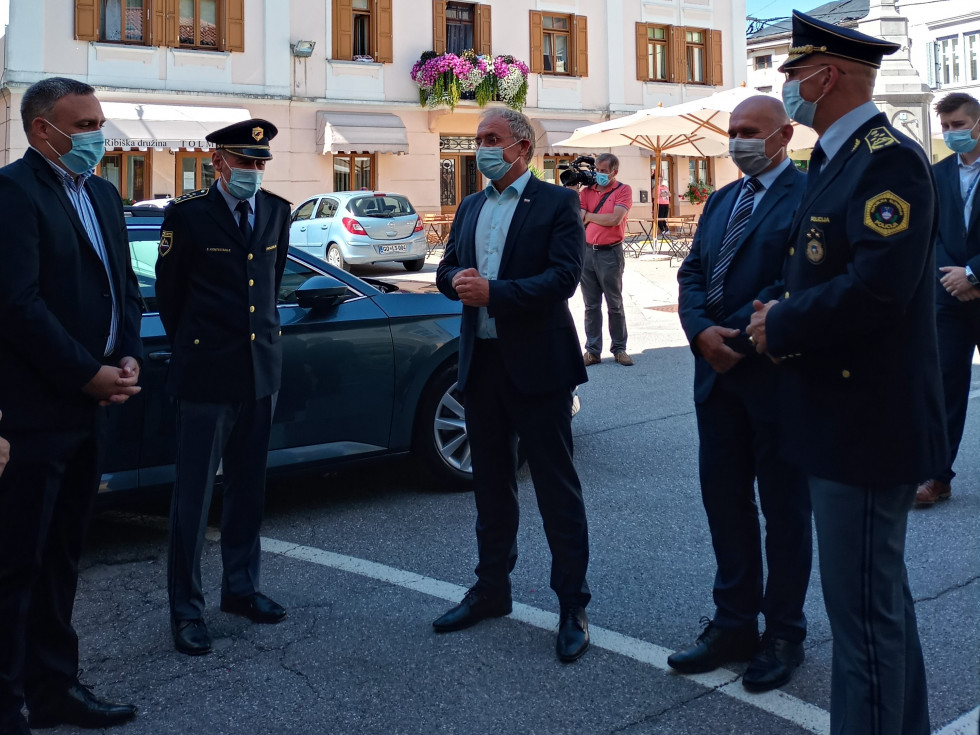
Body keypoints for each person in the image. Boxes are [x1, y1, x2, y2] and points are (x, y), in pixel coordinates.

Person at [746, 11, 945, 734]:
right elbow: (820, 270)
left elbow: (878, 288)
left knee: (863, 622)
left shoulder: (885, 157)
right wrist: (777, 305)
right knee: (877, 604)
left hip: (865, 424)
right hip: (839, 417)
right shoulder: (836, 158)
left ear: (825, 77)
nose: (785, 87)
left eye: (791, 74)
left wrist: (784, 323)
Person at [0, 77, 142, 734]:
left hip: (94, 408)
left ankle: (55, 686)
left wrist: (128, 353)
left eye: (99, 122)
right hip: (39, 413)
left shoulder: (107, 196)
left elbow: (125, 288)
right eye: (82, 124)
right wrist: (86, 372)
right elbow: (18, 306)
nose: (97, 136)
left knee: (62, 557)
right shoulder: (14, 193)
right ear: (42, 131)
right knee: (16, 565)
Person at [433, 109, 592, 663]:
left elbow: (563, 278)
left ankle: (571, 604)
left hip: (539, 367)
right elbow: (446, 266)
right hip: (483, 364)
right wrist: (454, 280)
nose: (482, 148)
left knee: (556, 489)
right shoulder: (472, 204)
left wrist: (495, 293)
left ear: (521, 146)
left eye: (491, 139)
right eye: (478, 140)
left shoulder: (556, 202)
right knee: (491, 486)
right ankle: (491, 589)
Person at [674, 96, 811, 692]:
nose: (737, 142)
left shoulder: (809, 195)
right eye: (731, 132)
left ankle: (783, 633)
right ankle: (733, 623)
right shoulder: (722, 199)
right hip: (717, 377)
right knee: (725, 504)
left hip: (775, 377)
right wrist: (699, 330)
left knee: (783, 512)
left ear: (783, 135)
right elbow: (692, 274)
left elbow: (800, 283)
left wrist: (730, 335)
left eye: (749, 132)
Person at [155, 119, 291, 656]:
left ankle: (240, 587)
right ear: (219, 164)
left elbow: (271, 286)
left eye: (260, 164)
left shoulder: (277, 211)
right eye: (245, 163)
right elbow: (171, 299)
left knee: (249, 487)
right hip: (206, 374)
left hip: (260, 372)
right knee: (194, 496)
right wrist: (202, 347)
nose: (254, 173)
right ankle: (185, 609)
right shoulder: (188, 217)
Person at [915, 92, 980, 507]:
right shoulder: (935, 173)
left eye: (959, 125)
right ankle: (936, 476)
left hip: (972, 280)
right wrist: (953, 276)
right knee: (942, 389)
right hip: (949, 297)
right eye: (946, 126)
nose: (951, 132)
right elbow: (927, 231)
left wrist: (974, 273)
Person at [580, 153, 634, 366]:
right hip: (587, 253)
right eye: (598, 170)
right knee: (591, 306)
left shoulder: (623, 190)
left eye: (604, 171)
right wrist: (592, 215)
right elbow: (578, 216)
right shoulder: (587, 192)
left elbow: (615, 218)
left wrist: (590, 216)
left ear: (614, 172)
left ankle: (619, 349)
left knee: (615, 304)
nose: (600, 174)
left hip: (610, 253)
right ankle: (593, 351)